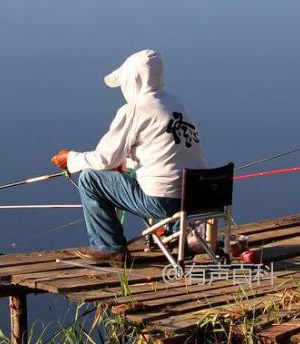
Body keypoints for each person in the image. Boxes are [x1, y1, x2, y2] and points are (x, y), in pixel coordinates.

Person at [51, 49, 206, 265]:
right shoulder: (174, 104)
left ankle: (109, 247)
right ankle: (179, 236)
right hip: (197, 199)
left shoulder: (135, 109)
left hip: (163, 203)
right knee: (153, 179)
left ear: (133, 80)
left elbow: (105, 159)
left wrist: (71, 159)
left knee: (89, 179)